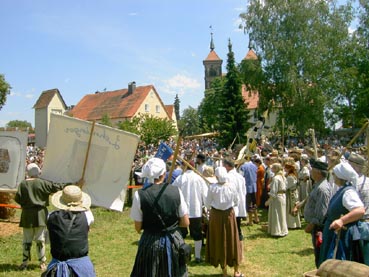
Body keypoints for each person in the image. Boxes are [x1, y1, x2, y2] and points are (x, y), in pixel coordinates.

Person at [130, 157, 190, 277]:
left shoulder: (139, 195)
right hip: (173, 240)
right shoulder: (176, 191)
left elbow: (138, 227)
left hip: (150, 241)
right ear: (164, 173)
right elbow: (185, 222)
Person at [14, 163, 67, 271]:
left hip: (27, 214)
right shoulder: (43, 183)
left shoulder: (23, 184)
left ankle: (25, 262)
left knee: (27, 239)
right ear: (38, 171)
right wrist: (74, 184)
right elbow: (58, 187)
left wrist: (26, 204)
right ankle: (42, 262)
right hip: (40, 214)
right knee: (40, 239)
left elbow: (18, 198)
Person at [318, 162, 365, 266]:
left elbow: (360, 210)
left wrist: (341, 220)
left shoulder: (348, 193)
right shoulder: (342, 190)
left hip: (342, 236)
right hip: (333, 234)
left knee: (339, 265)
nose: (333, 177)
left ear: (340, 176)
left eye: (334, 174)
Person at [43, 184, 95, 276]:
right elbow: (87, 210)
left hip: (56, 268)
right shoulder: (87, 216)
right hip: (81, 267)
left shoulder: (50, 216)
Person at [205, 166, 243, 277]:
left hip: (216, 215)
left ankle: (225, 271)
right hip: (228, 215)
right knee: (231, 239)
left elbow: (207, 203)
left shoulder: (212, 188)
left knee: (220, 240)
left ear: (216, 176)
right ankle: (235, 271)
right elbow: (236, 201)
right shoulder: (231, 186)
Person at [172, 160, 208, 263]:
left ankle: (183, 255)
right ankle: (197, 256)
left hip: (182, 211)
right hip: (195, 210)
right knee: (197, 233)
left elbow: (173, 192)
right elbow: (205, 194)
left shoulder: (180, 179)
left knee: (181, 234)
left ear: (185, 167)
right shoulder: (198, 178)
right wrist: (206, 207)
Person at [303, 159, 332, 268]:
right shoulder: (318, 185)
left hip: (319, 228)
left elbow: (322, 212)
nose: (310, 172)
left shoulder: (322, 189)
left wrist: (311, 225)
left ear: (318, 172)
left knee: (320, 256)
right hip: (316, 227)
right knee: (317, 254)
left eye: (312, 170)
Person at [348, 152, 369, 265]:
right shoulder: (367, 181)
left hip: (360, 224)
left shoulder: (355, 184)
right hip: (365, 222)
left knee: (360, 261)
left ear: (354, 166)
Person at [223, 159, 247, 241]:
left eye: (224, 166)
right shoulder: (240, 176)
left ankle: (234, 238)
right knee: (237, 221)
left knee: (233, 221)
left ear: (227, 166)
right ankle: (239, 235)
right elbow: (244, 190)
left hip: (232, 202)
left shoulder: (228, 177)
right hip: (239, 200)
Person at [265, 163, 288, 237]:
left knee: (276, 214)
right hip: (282, 196)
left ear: (275, 169)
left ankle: (277, 231)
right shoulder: (282, 176)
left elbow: (274, 191)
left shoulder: (276, 178)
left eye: (272, 168)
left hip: (277, 198)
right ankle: (283, 230)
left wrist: (268, 201)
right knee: (282, 214)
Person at [239, 158, 259, 225]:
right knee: (254, 203)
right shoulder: (254, 166)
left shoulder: (243, 167)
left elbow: (240, 177)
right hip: (254, 186)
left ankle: (250, 221)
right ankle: (256, 218)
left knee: (249, 204)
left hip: (247, 187)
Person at [284, 158, 301, 229]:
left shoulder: (290, 177)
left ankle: (292, 224)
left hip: (291, 194)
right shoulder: (290, 175)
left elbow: (286, 186)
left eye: (285, 168)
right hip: (292, 193)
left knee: (291, 207)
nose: (284, 169)